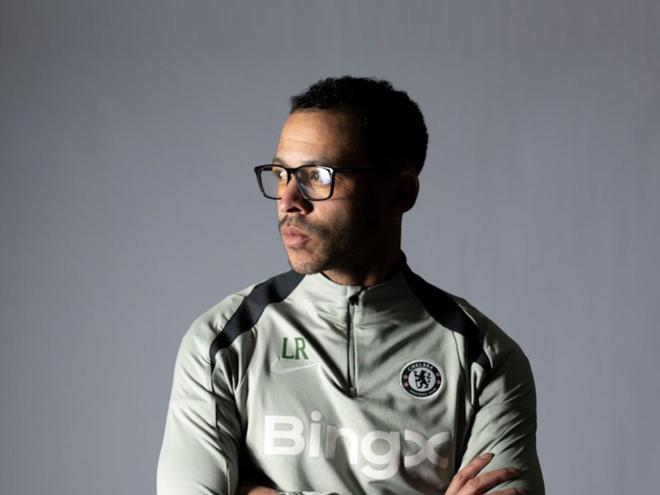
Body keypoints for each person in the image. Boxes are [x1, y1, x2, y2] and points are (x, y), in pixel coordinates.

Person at [157, 76, 544, 494]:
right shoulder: (222, 341)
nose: (289, 200)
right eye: (282, 174)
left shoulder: (484, 358)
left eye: (317, 176)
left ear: (399, 194)